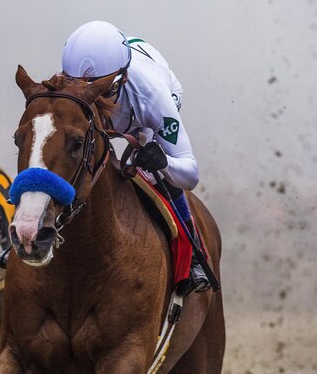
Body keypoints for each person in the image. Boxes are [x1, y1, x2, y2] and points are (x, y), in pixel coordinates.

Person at [61, 20, 209, 295]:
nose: (95, 102)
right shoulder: (69, 78)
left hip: (143, 116)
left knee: (153, 172)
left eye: (103, 92)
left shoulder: (153, 97)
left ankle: (194, 255)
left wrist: (162, 162)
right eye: (85, 92)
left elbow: (190, 174)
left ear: (122, 80)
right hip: (121, 78)